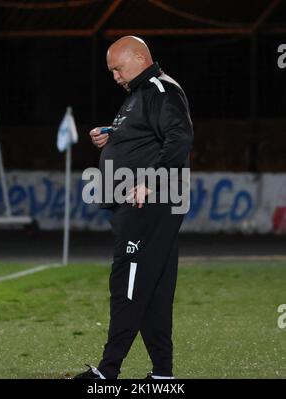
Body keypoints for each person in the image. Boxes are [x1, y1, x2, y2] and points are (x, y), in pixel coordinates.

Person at [73, 36, 193, 379]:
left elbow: (179, 138)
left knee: (128, 283)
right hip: (147, 205)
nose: (114, 76)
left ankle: (108, 371)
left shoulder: (160, 89)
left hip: (149, 204)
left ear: (139, 57)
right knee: (153, 288)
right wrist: (112, 137)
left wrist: (150, 181)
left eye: (117, 68)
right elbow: (148, 137)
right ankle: (162, 374)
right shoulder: (140, 95)